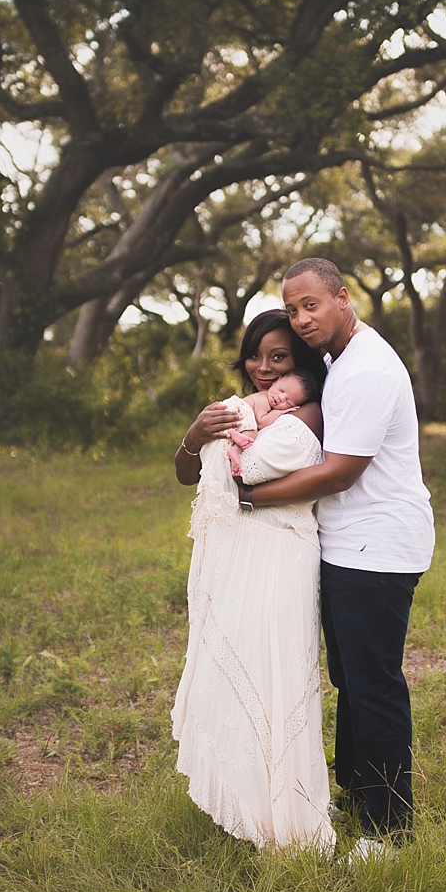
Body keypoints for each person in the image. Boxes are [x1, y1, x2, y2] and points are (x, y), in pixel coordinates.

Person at [238, 259, 435, 852]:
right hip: (349, 545)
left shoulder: (368, 367)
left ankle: (387, 830)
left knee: (373, 684)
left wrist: (251, 497)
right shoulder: (338, 361)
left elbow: (342, 471)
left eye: (310, 305)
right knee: (350, 678)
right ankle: (356, 794)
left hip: (378, 547)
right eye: (292, 309)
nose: (300, 319)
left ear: (343, 298)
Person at [170, 307, 333, 852]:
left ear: (300, 361)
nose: (263, 368)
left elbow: (252, 471)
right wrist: (195, 435)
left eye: (279, 357)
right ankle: (241, 795)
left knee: (274, 671)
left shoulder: (308, 413)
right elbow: (185, 472)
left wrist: (232, 458)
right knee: (232, 664)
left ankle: (286, 812)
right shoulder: (240, 408)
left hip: (280, 551)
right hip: (237, 554)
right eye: (256, 356)